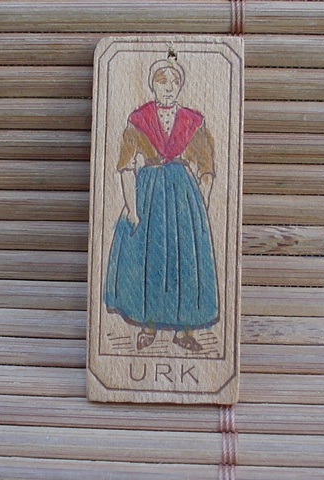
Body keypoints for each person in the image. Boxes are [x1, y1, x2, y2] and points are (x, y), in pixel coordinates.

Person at [104, 58, 219, 353]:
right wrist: (132, 208)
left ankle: (184, 330)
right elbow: (126, 166)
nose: (168, 88)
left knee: (185, 259)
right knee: (150, 258)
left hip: (183, 196)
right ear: (152, 85)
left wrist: (202, 200)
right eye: (162, 82)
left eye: (174, 82)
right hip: (150, 194)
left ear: (180, 86)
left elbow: (206, 165)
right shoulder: (138, 120)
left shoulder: (193, 121)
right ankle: (149, 324)